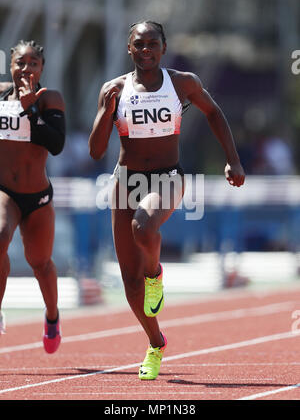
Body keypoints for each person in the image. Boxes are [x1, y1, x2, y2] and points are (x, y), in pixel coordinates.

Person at [89, 21, 245, 380]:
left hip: (168, 176)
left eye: (152, 44)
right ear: (129, 49)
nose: (146, 50)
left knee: (143, 226)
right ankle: (156, 342)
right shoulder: (114, 89)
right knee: (130, 283)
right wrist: (105, 112)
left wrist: (232, 159)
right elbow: (97, 152)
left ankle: (155, 274)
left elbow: (214, 113)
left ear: (164, 47)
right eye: (139, 44)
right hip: (125, 180)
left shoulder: (182, 83)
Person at [0, 40, 66, 354]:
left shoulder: (48, 98)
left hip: (37, 197)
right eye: (20, 63)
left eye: (33, 63)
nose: (27, 69)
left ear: (42, 68)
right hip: (4, 193)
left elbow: (55, 144)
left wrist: (30, 110)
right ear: (10, 65)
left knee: (40, 262)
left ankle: (52, 317)